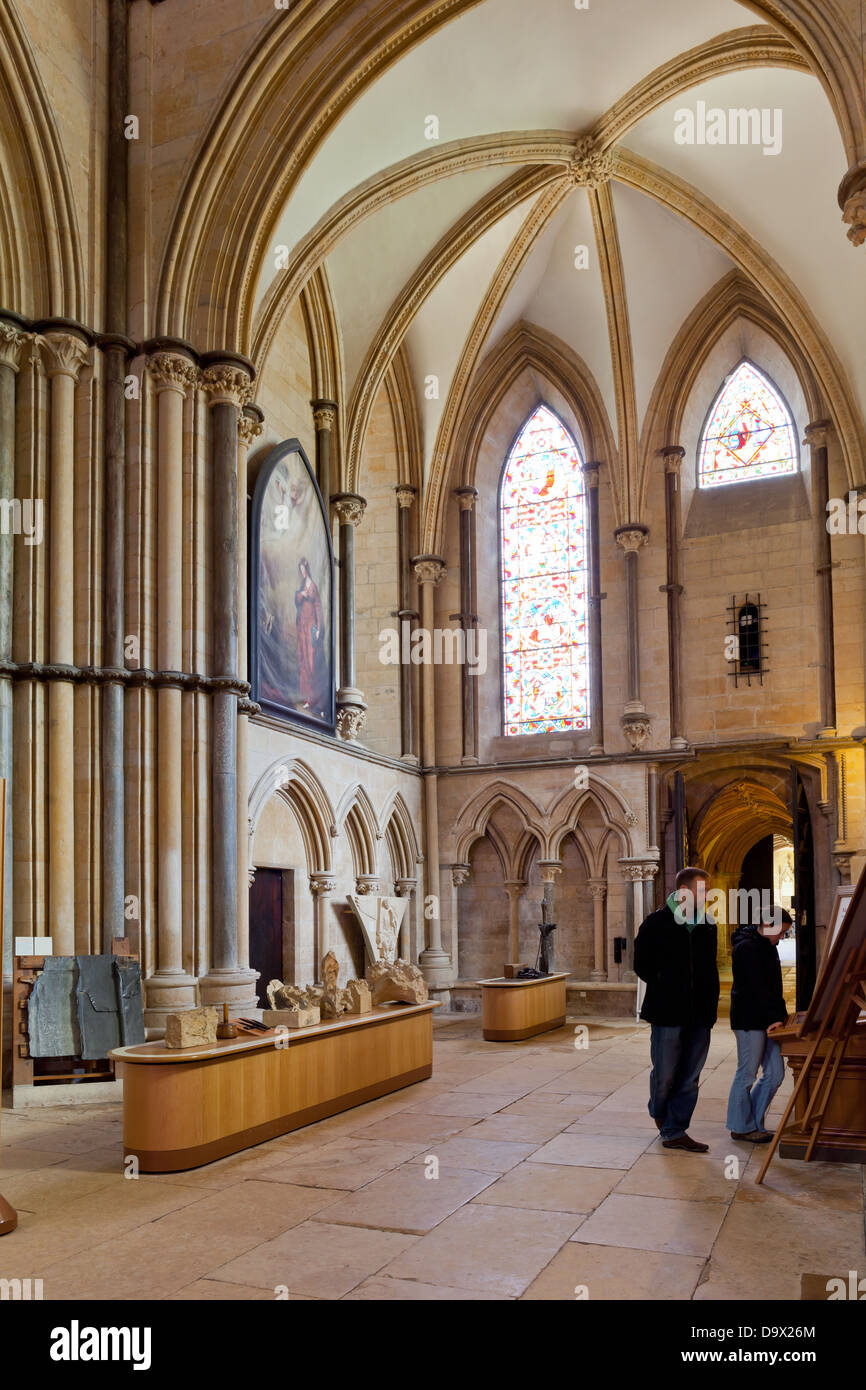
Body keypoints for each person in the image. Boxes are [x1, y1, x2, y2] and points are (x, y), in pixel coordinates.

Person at [634, 866, 719, 1153]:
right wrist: (665, 984)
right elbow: (641, 964)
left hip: (700, 1015)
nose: (708, 895)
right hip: (667, 1013)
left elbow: (710, 968)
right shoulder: (656, 923)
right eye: (702, 890)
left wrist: (710, 1004)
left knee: (690, 1076)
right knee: (666, 1073)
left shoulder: (707, 924)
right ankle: (660, 1112)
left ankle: (675, 1129)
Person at [726, 906, 790, 1142]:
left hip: (770, 1020)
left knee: (775, 1073)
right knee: (747, 1074)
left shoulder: (766, 946)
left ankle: (750, 1120)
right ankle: (741, 1126)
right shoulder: (747, 948)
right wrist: (774, 1017)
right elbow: (755, 988)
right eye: (781, 932)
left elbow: (773, 989)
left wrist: (780, 1017)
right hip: (749, 1020)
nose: (782, 938)